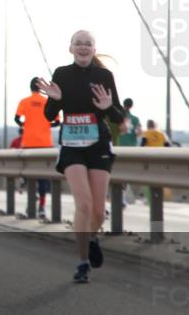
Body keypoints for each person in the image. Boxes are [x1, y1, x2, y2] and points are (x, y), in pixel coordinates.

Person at [37, 30, 124, 284]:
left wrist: (108, 108)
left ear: (94, 49)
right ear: (71, 48)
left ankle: (92, 237)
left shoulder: (104, 76)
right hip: (72, 145)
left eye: (88, 44)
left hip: (99, 144)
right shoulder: (62, 74)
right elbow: (49, 115)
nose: (83, 47)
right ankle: (83, 261)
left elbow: (118, 117)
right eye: (79, 43)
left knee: (98, 211)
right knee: (83, 204)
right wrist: (56, 100)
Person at [14, 77, 60, 217]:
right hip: (45, 144)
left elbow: (16, 118)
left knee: (29, 175)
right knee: (43, 178)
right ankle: (41, 207)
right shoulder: (47, 101)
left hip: (28, 144)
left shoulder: (24, 101)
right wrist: (46, 125)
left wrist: (25, 125)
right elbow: (57, 122)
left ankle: (31, 202)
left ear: (30, 88)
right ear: (41, 88)